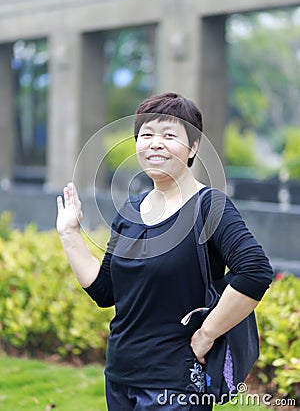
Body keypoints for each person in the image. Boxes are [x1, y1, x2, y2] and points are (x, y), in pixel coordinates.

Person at [56, 92, 273, 410]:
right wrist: (69, 233)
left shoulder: (208, 207)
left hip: (175, 385)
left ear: (193, 147)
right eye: (146, 135)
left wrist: (206, 334)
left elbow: (255, 271)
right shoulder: (130, 209)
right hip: (120, 377)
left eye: (169, 135)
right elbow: (106, 291)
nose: (155, 143)